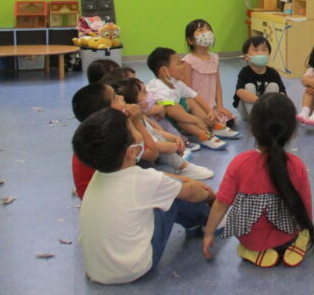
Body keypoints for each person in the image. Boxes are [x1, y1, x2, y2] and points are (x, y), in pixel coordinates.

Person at [74, 108, 214, 284]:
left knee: (168, 189)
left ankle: (195, 222)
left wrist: (184, 181)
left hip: (96, 270)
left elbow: (160, 180)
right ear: (132, 152)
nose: (135, 127)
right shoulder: (144, 180)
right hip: (134, 269)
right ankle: (210, 221)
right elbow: (191, 192)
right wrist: (209, 196)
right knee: (175, 198)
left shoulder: (98, 175)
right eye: (132, 127)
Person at [202, 93, 314, 268]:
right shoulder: (296, 165)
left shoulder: (239, 163)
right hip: (287, 237)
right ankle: (292, 246)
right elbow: (305, 203)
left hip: (251, 240)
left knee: (250, 238)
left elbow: (221, 203)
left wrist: (209, 233)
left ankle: (250, 251)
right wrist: (306, 229)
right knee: (298, 232)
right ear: (292, 132)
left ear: (253, 130)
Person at [113, 78, 213, 180]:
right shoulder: (131, 121)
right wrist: (174, 145)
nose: (120, 97)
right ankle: (187, 162)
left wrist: (174, 138)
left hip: (160, 145)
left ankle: (209, 132)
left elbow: (155, 130)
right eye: (144, 92)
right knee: (177, 116)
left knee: (184, 106)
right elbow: (155, 144)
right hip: (146, 158)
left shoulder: (141, 114)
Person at [71, 82, 150, 198]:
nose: (121, 97)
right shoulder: (111, 136)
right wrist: (136, 122)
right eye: (115, 97)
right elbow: (153, 153)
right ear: (105, 111)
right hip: (111, 196)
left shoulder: (91, 132)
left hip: (104, 194)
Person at [145, 47, 233, 150]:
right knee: (179, 112)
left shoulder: (176, 83)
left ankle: (213, 126)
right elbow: (172, 111)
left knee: (189, 101)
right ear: (164, 71)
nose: (182, 66)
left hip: (172, 120)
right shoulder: (157, 86)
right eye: (178, 64)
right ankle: (203, 135)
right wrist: (196, 121)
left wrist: (210, 111)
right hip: (160, 126)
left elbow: (195, 95)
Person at [180, 19, 236, 128]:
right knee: (205, 122)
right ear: (190, 40)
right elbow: (188, 92)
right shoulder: (188, 61)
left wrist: (220, 106)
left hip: (212, 106)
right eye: (201, 30)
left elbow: (218, 85)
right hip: (197, 106)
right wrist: (204, 110)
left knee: (229, 120)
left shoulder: (214, 58)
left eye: (208, 29)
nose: (206, 33)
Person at [233, 36, 287, 122]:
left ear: (269, 54)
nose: (261, 53)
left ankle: (267, 116)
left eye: (264, 50)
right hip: (247, 110)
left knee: (274, 86)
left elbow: (282, 92)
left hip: (266, 109)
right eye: (256, 50)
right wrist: (260, 101)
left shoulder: (272, 72)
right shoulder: (245, 72)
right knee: (249, 86)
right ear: (246, 57)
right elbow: (239, 91)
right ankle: (257, 120)